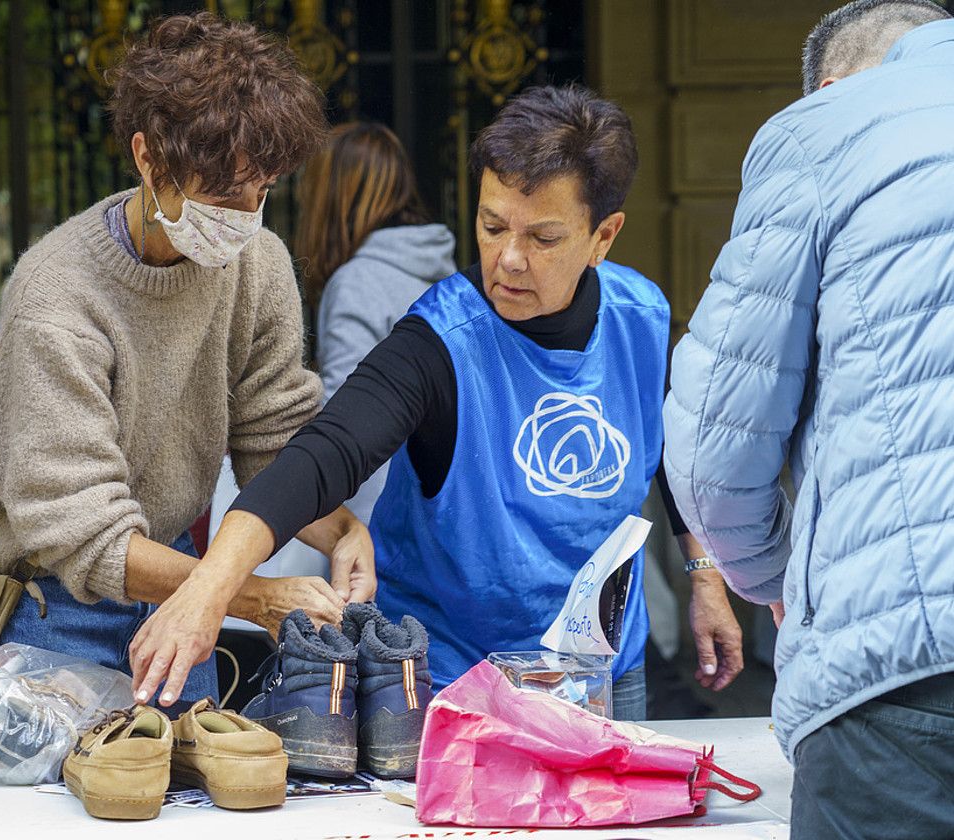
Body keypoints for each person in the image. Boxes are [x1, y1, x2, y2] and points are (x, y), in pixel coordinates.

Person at [133, 85, 744, 718]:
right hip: (451, 676)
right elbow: (323, 455)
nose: (507, 259)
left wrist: (704, 574)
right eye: (491, 225)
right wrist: (211, 584)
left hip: (603, 667)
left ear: (602, 237)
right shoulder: (441, 339)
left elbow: (677, 446)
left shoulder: (640, 317)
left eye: (543, 238)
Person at [0, 12, 375, 709]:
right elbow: (83, 535)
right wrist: (248, 595)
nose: (244, 214)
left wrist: (344, 528)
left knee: (191, 802)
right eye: (222, 194)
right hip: (45, 602)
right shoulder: (56, 294)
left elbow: (276, 444)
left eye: (261, 191)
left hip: (178, 579)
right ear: (149, 159)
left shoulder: (257, 262)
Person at [663, 2, 954, 836]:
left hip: (907, 675)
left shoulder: (825, 128)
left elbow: (714, 441)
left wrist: (779, 579)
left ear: (830, 88)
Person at [296, 122, 456, 527]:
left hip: (378, 529)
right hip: (438, 513)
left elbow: (346, 424)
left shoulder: (357, 282)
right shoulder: (440, 271)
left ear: (330, 197)